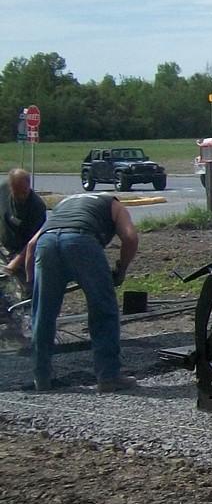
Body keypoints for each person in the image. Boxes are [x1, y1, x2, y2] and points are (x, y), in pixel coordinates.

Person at [23, 192, 140, 393]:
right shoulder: (114, 204)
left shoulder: (63, 205)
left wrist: (30, 283)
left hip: (47, 243)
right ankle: (108, 376)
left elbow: (32, 244)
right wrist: (121, 270)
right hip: (82, 241)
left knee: (43, 314)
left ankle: (41, 378)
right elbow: (130, 238)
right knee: (103, 310)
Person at [1, 168, 46, 277]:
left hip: (22, 253)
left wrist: (15, 263)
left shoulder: (37, 207)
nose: (21, 196)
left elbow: (33, 242)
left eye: (24, 192)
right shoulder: (3, 190)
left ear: (29, 185)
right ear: (10, 188)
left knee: (22, 288)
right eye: (17, 192)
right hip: (3, 245)